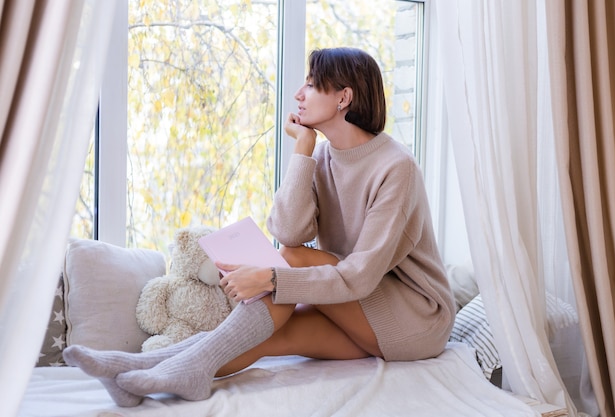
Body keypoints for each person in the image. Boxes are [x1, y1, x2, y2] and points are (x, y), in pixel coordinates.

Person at [63, 47, 455, 407]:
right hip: (360, 306)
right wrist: (303, 150)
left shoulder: (396, 167)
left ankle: (150, 368)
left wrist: (272, 280)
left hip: (415, 316)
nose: (300, 93)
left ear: (344, 98)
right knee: (271, 335)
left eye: (312, 84)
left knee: (293, 260)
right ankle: (132, 374)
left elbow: (355, 274)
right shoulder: (322, 156)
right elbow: (288, 230)